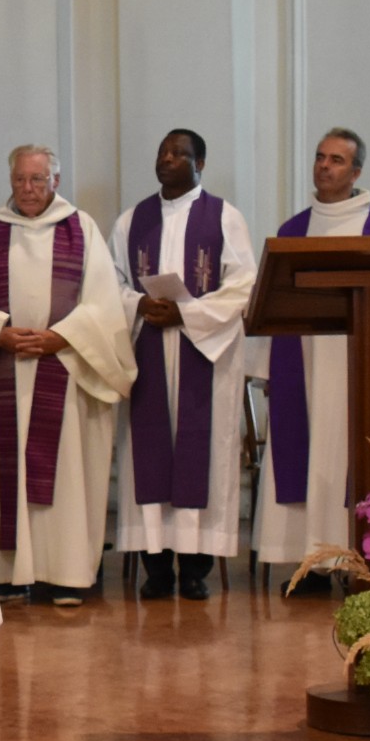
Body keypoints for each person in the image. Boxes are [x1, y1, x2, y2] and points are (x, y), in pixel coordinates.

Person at [0, 145, 136, 606]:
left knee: (64, 473)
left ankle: (64, 574)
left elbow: (104, 305)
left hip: (64, 370)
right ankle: (8, 574)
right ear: (11, 181)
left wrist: (62, 337)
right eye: (21, 180)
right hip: (2, 372)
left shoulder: (81, 228)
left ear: (56, 182)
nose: (28, 189)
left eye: (38, 179)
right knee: (2, 472)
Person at [249, 128, 370, 586]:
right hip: (304, 364)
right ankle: (309, 566)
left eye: (337, 160)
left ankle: (365, 565)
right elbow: (272, 301)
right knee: (307, 455)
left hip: (360, 366)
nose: (324, 166)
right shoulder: (293, 231)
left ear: (357, 172)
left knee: (356, 455)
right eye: (320, 157)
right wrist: (267, 366)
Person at [110, 130, 256, 600]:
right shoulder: (132, 220)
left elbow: (242, 286)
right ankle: (156, 567)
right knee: (149, 453)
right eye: (163, 152)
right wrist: (138, 304)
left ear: (201, 164)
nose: (168, 159)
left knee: (202, 452)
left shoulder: (224, 218)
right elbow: (109, 282)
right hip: (147, 348)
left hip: (203, 356)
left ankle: (195, 569)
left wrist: (186, 313)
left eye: (180, 154)